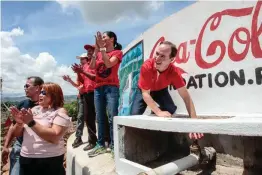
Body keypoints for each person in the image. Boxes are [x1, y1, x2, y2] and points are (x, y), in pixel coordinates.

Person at [130, 41, 203, 140]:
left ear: (171, 59)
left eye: (163, 56)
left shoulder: (175, 73)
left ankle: (154, 113)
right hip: (144, 91)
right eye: (157, 54)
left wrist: (195, 124)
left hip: (160, 90)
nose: (157, 58)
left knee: (171, 109)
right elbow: (145, 94)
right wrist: (158, 112)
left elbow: (186, 97)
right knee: (134, 115)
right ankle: (153, 112)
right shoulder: (146, 66)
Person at [11, 82, 71, 175]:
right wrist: (19, 123)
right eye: (40, 92)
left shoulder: (60, 111)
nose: (40, 95)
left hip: (49, 161)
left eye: (44, 93)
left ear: (54, 96)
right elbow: (17, 134)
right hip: (26, 159)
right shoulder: (34, 110)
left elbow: (54, 137)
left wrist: (31, 123)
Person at [87, 31, 123, 157]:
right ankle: (101, 144)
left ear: (112, 39)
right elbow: (91, 67)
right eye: (100, 37)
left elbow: (108, 64)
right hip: (98, 88)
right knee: (100, 117)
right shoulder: (99, 53)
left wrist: (102, 49)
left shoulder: (117, 53)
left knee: (112, 116)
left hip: (111, 87)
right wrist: (96, 51)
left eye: (104, 37)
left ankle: (115, 146)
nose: (101, 38)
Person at [1, 76, 44, 175]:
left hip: (40, 150)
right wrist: (6, 146)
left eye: (27, 86)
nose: (24, 88)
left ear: (37, 88)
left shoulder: (47, 106)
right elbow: (13, 126)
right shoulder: (22, 104)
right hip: (20, 147)